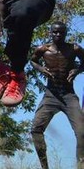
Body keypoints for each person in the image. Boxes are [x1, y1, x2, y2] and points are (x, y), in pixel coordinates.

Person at [29, 23, 84, 169]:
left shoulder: (74, 49)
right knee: (36, 129)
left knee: (82, 132)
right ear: (50, 33)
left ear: (66, 33)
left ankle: (80, 165)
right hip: (51, 95)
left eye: (61, 33)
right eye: (55, 32)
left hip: (68, 95)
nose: (58, 35)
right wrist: (41, 68)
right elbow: (32, 60)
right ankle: (44, 166)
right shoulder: (43, 49)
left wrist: (77, 70)